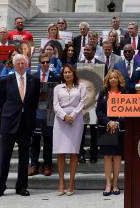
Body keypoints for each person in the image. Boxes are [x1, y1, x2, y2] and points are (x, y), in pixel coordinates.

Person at [0, 54, 40, 199]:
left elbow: (34, 101)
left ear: (27, 65)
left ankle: (22, 186)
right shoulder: (5, 80)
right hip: (9, 122)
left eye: (23, 62)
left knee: (24, 158)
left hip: (26, 124)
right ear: (13, 65)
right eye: (17, 63)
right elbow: (1, 101)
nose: (20, 65)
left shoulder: (34, 80)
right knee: (4, 157)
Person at [53, 65, 87, 196]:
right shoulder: (57, 88)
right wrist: (64, 116)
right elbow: (55, 105)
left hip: (76, 119)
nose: (67, 74)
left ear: (74, 73)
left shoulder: (81, 86)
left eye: (69, 72)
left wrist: (72, 115)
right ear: (62, 74)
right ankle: (61, 183)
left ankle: (71, 184)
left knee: (74, 152)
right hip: (60, 120)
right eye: (65, 72)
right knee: (60, 153)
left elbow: (82, 102)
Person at [96, 69, 126, 196]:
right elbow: (99, 111)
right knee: (107, 156)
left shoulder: (125, 93)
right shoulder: (103, 93)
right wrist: (109, 122)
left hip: (119, 128)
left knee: (117, 156)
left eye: (115, 77)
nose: (113, 80)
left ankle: (115, 184)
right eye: (110, 78)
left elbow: (128, 110)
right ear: (107, 80)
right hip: (106, 128)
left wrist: (118, 122)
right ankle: (108, 183)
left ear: (119, 79)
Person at [29, 53, 55, 177]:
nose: (45, 64)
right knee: (35, 140)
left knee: (48, 140)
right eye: (43, 62)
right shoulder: (33, 77)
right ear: (39, 63)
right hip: (36, 113)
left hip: (49, 113)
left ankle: (47, 165)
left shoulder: (55, 76)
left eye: (47, 62)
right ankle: (33, 164)